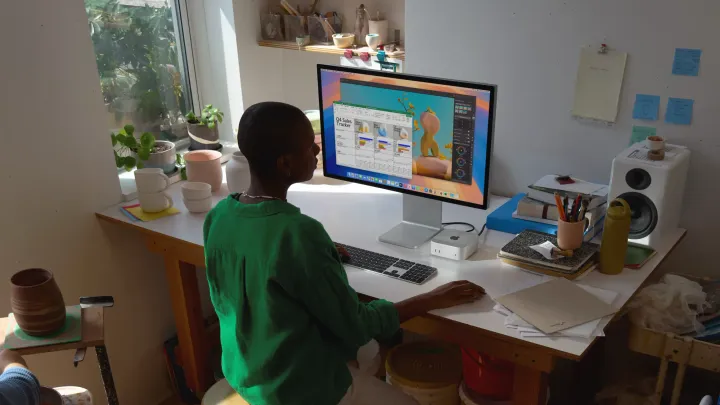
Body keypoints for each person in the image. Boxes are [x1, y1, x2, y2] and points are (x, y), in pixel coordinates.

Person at [203, 102, 486, 405]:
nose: (316, 151)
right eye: (309, 146)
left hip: (245, 372)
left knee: (368, 355)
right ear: (285, 164)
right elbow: (357, 326)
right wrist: (431, 298)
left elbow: (262, 276)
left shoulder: (220, 216)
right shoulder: (298, 233)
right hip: (295, 391)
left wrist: (320, 256)